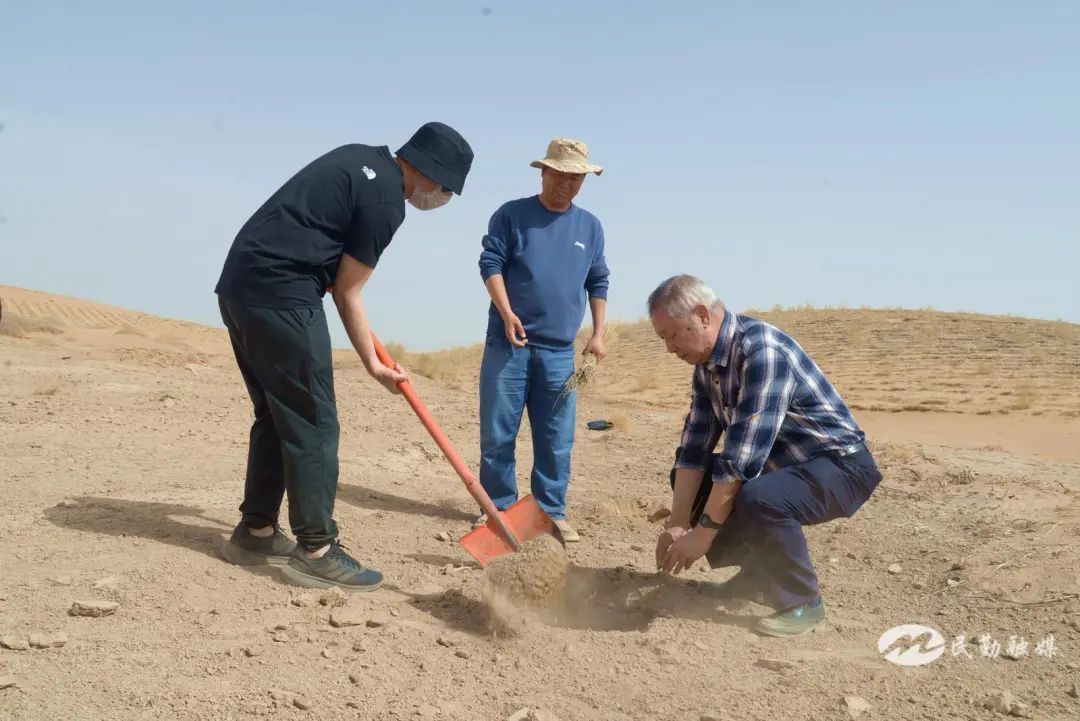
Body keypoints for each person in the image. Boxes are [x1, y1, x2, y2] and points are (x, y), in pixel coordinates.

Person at [214, 122, 474, 591]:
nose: (440, 197)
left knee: (276, 414)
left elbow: (325, 254)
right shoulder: (387, 204)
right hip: (284, 296)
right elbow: (348, 291)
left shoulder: (360, 156)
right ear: (433, 176)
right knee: (314, 419)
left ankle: (255, 532)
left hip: (239, 288)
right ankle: (315, 548)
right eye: (446, 188)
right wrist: (374, 366)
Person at [648, 274, 882, 636]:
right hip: (784, 468)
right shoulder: (706, 367)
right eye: (663, 338)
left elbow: (741, 460)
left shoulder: (762, 353)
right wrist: (678, 521)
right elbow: (695, 447)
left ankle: (803, 601)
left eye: (673, 334)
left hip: (841, 467)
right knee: (692, 482)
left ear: (702, 315)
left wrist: (703, 534)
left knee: (759, 496)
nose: (669, 348)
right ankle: (759, 577)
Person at [475, 138, 610, 543]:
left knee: (556, 438)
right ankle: (499, 511)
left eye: (576, 178)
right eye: (560, 175)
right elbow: (490, 262)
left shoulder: (590, 226)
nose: (567, 184)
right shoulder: (512, 215)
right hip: (508, 346)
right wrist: (505, 311)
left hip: (559, 353)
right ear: (544, 172)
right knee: (498, 434)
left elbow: (598, 280)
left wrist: (598, 334)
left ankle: (550, 511)